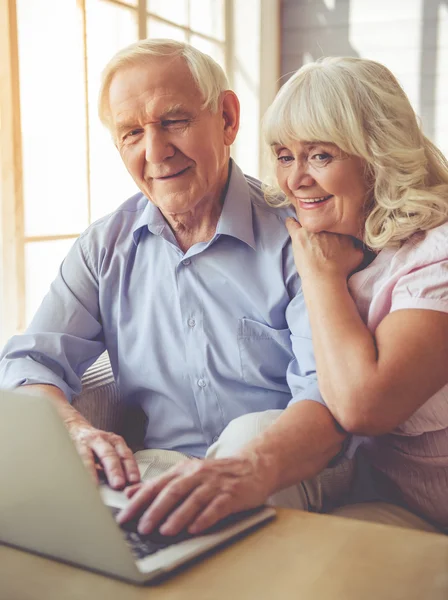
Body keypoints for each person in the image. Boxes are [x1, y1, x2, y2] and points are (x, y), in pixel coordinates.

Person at [0, 41, 353, 534]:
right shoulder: (105, 245)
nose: (156, 152)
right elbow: (28, 363)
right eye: (131, 134)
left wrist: (242, 470)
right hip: (162, 467)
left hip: (283, 466)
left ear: (227, 118)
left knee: (248, 431)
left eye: (174, 121)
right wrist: (75, 432)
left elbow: (329, 397)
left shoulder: (301, 235)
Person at [261, 56, 448, 533]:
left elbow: (364, 407)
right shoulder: (335, 236)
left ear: (377, 154)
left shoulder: (435, 255)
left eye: (320, 155)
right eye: (285, 155)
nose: (296, 179)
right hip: (371, 488)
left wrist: (321, 278)